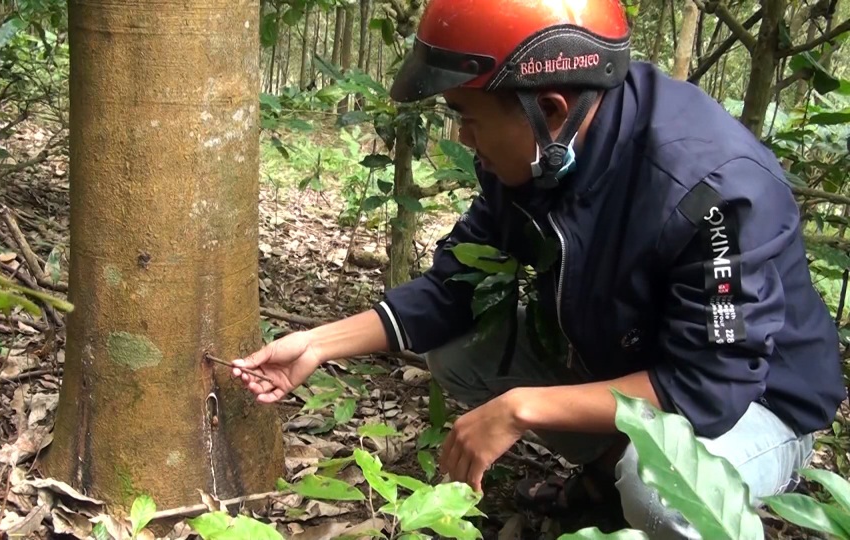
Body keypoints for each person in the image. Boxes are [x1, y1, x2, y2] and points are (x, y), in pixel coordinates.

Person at [232, 0, 847, 537]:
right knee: (460, 351)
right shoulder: (542, 156)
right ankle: (607, 476)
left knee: (663, 493)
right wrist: (317, 344)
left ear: (548, 106)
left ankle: (622, 482)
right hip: (628, 363)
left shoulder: (711, 190)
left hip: (760, 403)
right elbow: (454, 288)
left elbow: (710, 386)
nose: (465, 138)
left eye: (468, 118)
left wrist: (522, 406)